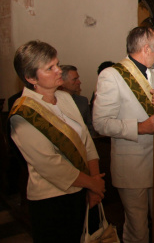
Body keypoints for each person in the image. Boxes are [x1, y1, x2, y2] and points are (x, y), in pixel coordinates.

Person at [9, 40, 105, 242]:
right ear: (30, 77)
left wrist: (94, 184)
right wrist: (93, 184)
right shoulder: (23, 113)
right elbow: (50, 165)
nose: (58, 71)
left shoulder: (65, 98)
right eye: (50, 68)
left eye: (57, 64)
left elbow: (86, 142)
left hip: (83, 191)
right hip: (51, 200)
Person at [93, 26, 154, 243]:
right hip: (132, 166)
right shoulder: (112, 75)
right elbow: (100, 123)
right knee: (137, 228)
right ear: (147, 48)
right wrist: (140, 127)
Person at [59, 65, 96, 136]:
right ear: (62, 82)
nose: (79, 82)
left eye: (78, 79)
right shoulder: (54, 102)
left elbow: (90, 128)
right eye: (74, 79)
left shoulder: (83, 101)